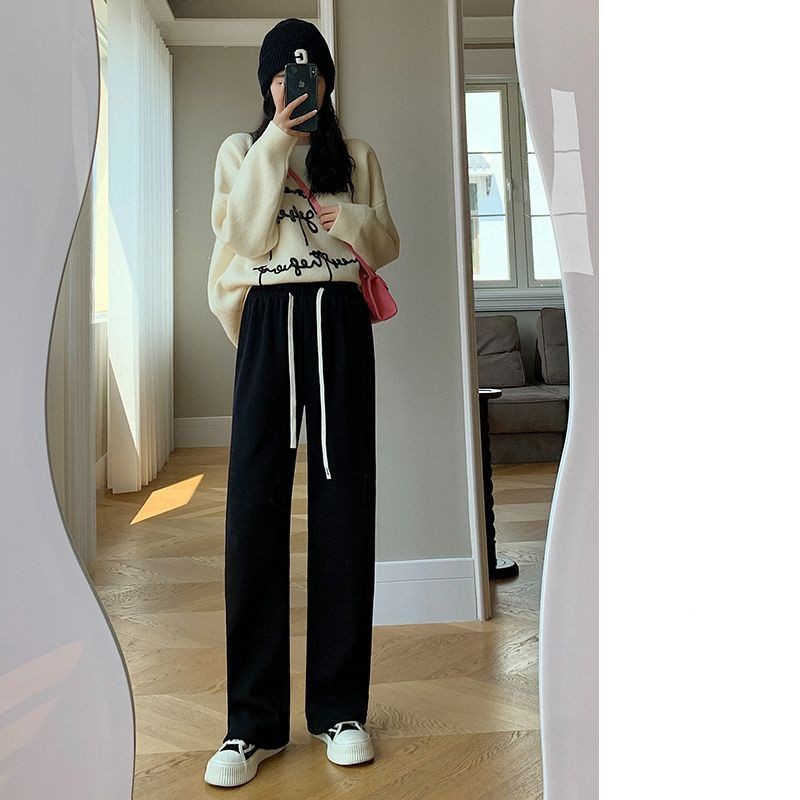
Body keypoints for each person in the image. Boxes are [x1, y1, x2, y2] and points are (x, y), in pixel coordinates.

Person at [203, 18, 400, 789]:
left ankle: (341, 710)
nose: (298, 83)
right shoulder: (241, 152)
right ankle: (250, 725)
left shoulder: (357, 158)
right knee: (253, 511)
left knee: (346, 505)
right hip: (271, 322)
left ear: (328, 82)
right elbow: (245, 237)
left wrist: (347, 218)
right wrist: (277, 143)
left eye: (310, 71)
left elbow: (386, 244)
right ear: (267, 84)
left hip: (339, 322)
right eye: (285, 74)